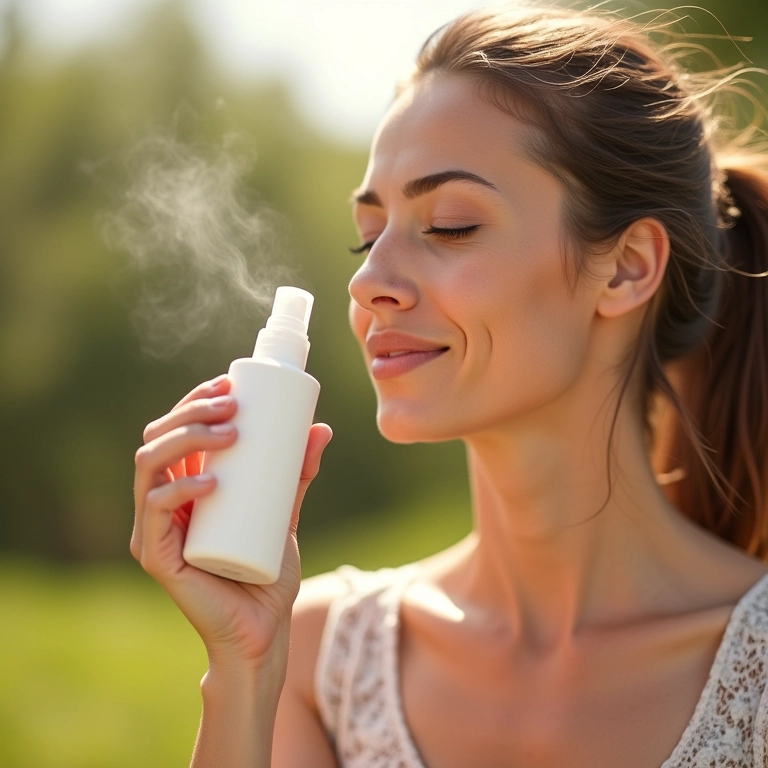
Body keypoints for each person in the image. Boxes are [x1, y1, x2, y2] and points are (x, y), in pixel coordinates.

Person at [131, 5, 768, 766]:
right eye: (369, 236)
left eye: (452, 224)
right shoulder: (314, 659)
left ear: (627, 266)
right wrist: (243, 667)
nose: (369, 281)